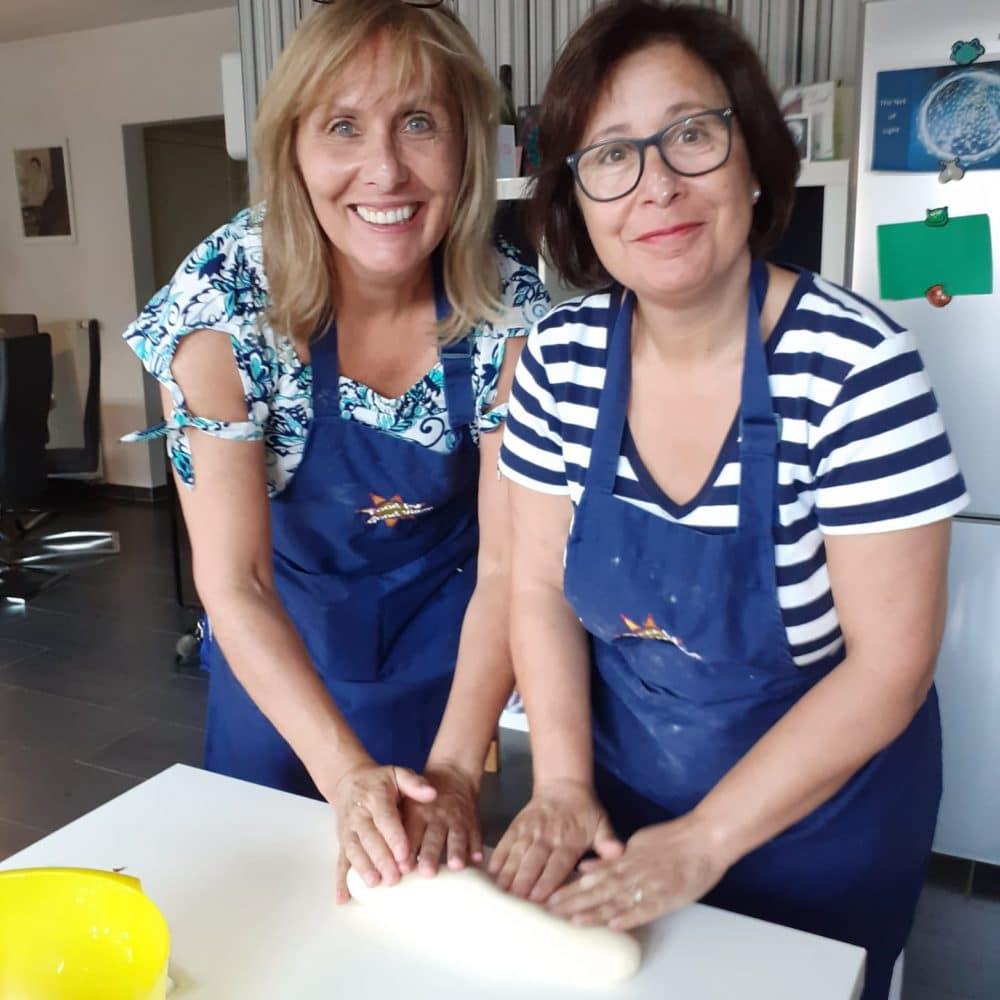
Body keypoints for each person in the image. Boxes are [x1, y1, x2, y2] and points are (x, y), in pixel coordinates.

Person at [492, 3, 966, 998]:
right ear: (578, 199)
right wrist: (564, 785)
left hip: (822, 827)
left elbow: (890, 666)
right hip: (622, 807)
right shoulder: (559, 362)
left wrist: (706, 839)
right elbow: (533, 587)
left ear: (750, 155)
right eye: (610, 154)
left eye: (690, 135)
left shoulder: (856, 370)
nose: (655, 183)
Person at [123, 0, 549, 904]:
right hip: (278, 655)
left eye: (420, 122)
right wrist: (345, 774)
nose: (385, 169)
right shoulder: (223, 307)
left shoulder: (510, 306)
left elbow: (511, 567)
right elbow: (234, 581)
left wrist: (457, 769)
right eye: (343, 126)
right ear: (293, 148)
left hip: (445, 659)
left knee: (423, 911)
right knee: (264, 908)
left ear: (467, 147)